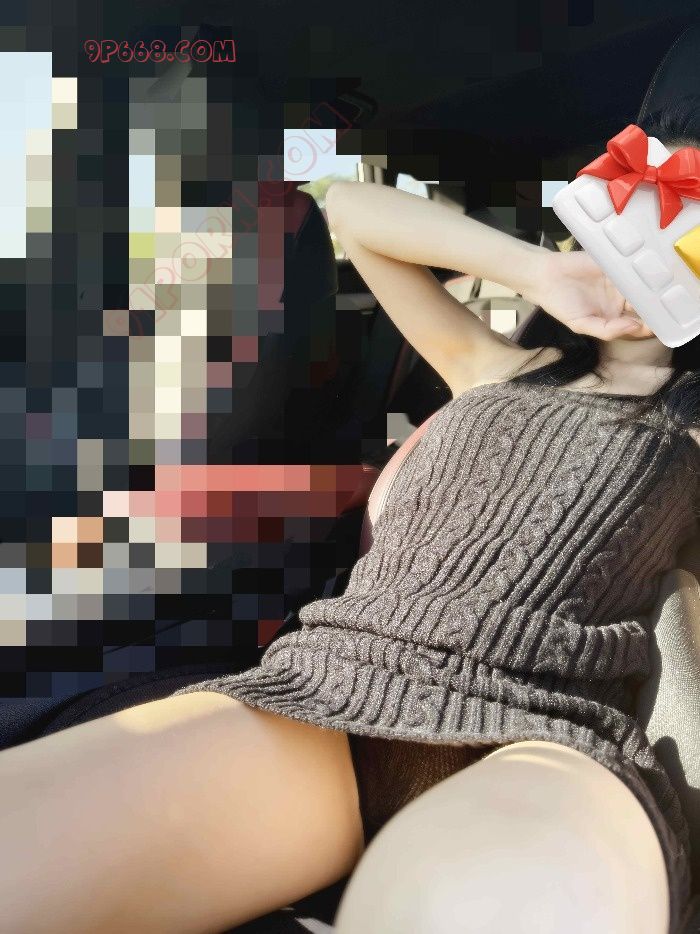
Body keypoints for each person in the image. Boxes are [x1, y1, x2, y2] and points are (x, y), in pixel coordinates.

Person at [1, 98, 699, 934]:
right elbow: (358, 214)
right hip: (332, 683)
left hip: (543, 725)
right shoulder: (493, 364)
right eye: (639, 216)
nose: (653, 252)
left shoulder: (690, 428)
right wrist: (541, 272)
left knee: (481, 907)